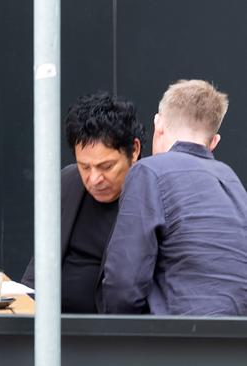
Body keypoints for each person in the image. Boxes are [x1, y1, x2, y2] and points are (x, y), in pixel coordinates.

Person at [102, 79, 247, 315]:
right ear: (213, 142)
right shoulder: (232, 181)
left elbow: (124, 285)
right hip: (235, 342)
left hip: (179, 342)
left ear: (158, 125)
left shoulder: (149, 171)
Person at [20, 92, 143, 313]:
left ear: (134, 151)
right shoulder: (68, 182)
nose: (94, 179)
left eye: (106, 167)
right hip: (50, 326)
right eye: (84, 166)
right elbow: (37, 271)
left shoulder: (149, 197)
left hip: (110, 334)